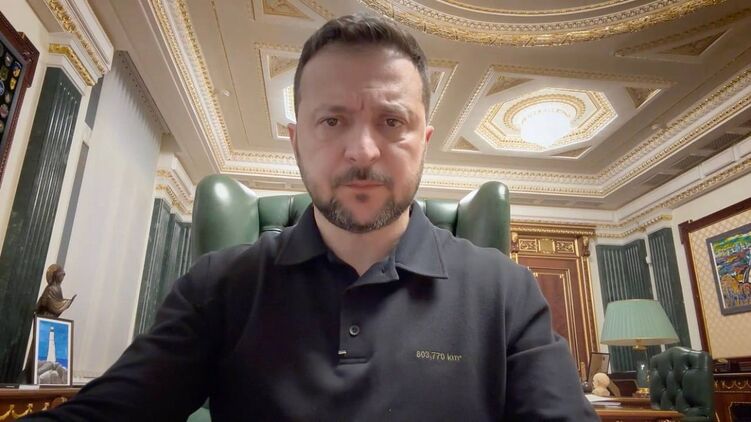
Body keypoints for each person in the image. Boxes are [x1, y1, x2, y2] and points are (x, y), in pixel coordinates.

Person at [25, 14, 597, 421]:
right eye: (332, 121)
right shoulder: (218, 288)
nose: (363, 151)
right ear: (297, 140)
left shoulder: (507, 293)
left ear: (423, 142)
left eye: (392, 122)